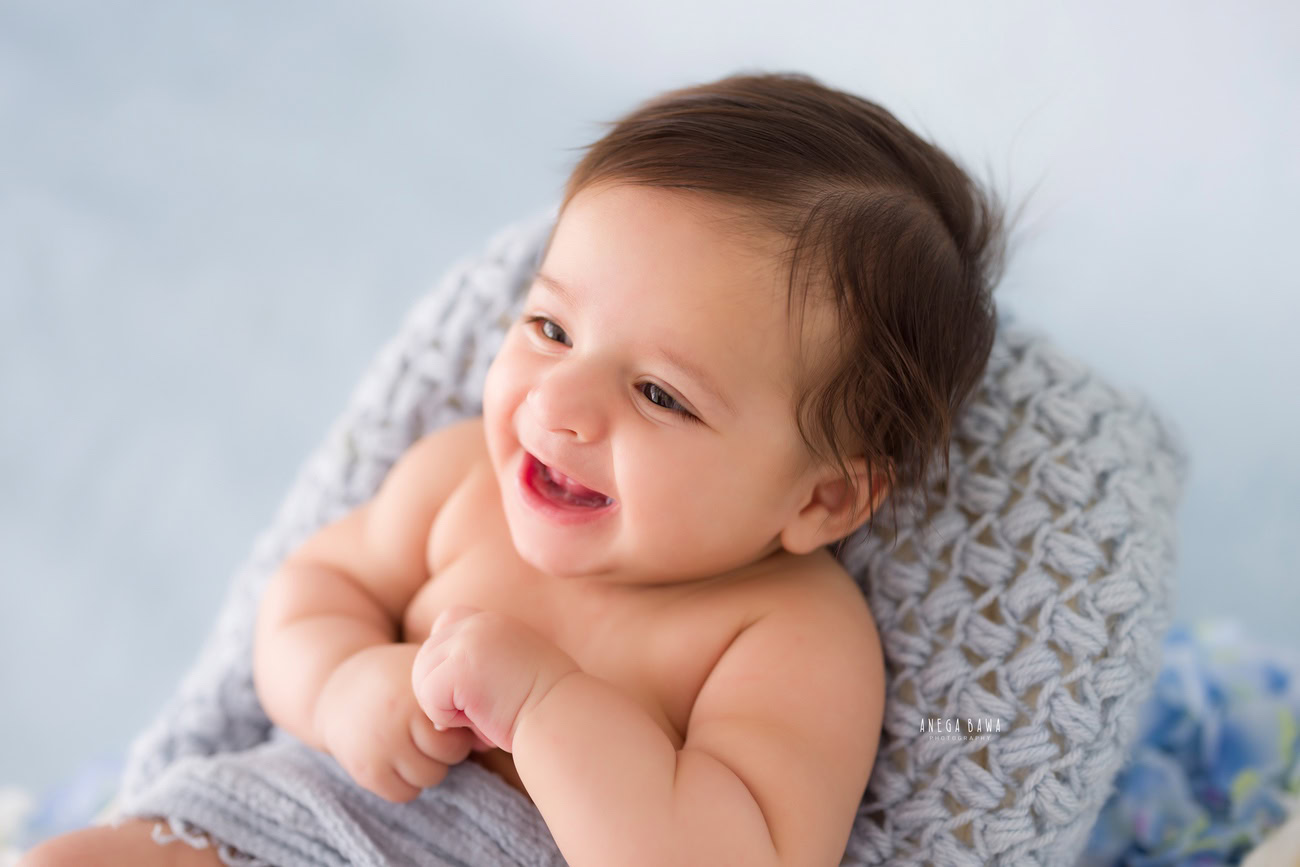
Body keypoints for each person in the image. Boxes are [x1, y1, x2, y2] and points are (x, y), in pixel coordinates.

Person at [21, 69, 1011, 866]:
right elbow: (312, 588)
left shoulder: (785, 636)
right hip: (290, 820)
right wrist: (345, 686)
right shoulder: (459, 481)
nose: (558, 407)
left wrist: (547, 709)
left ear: (823, 495)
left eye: (659, 394)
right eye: (550, 328)